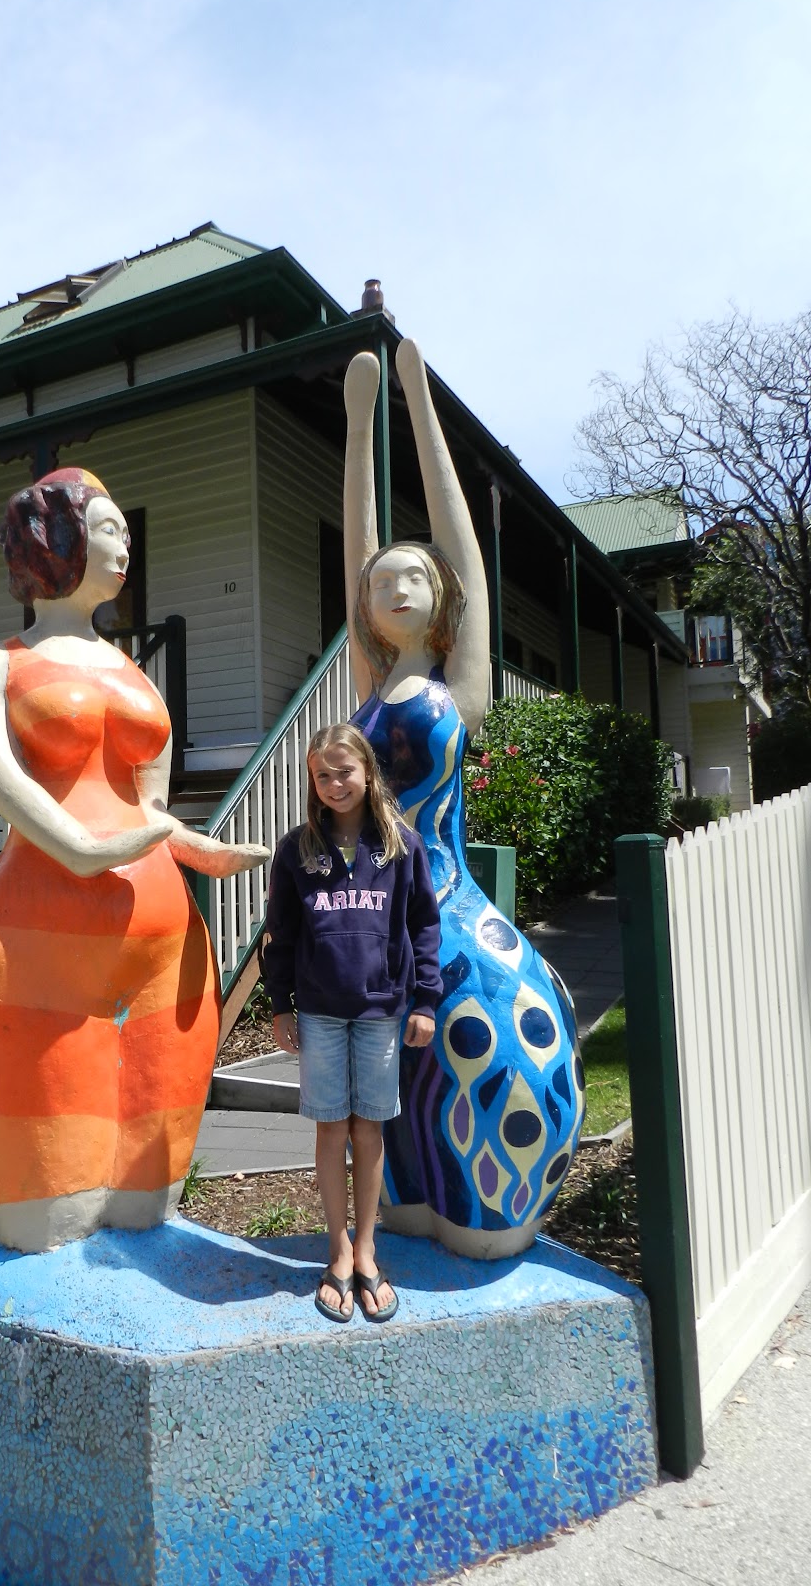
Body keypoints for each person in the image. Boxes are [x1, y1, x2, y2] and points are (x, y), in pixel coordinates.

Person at [0, 467, 267, 1253]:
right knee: (43, 1219)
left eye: (127, 532)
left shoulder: (136, 675)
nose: (127, 547)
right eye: (110, 531)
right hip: (31, 952)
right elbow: (4, 781)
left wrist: (199, 847)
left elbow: (151, 809)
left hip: (165, 948)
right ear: (56, 541)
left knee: (145, 1204)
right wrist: (81, 850)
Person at [342, 341, 584, 1260]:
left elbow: (470, 564)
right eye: (381, 582)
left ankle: (490, 1203)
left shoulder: (457, 689)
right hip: (373, 910)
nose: (394, 587)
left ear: (438, 595)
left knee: (485, 1038)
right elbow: (359, 557)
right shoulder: (370, 686)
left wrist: (415, 398)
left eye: (414, 576)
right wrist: (356, 425)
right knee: (389, 1074)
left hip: (442, 902)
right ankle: (409, 1193)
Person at [265, 723, 442, 1321]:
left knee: (369, 1131)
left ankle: (367, 1250)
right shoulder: (297, 850)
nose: (335, 784)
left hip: (380, 1012)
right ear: (311, 783)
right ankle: (337, 1251)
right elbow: (281, 934)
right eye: (323, 775)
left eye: (345, 771)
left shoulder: (400, 845)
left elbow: (423, 925)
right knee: (330, 1130)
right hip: (319, 1013)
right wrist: (280, 1005)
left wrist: (425, 1001)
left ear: (368, 772)